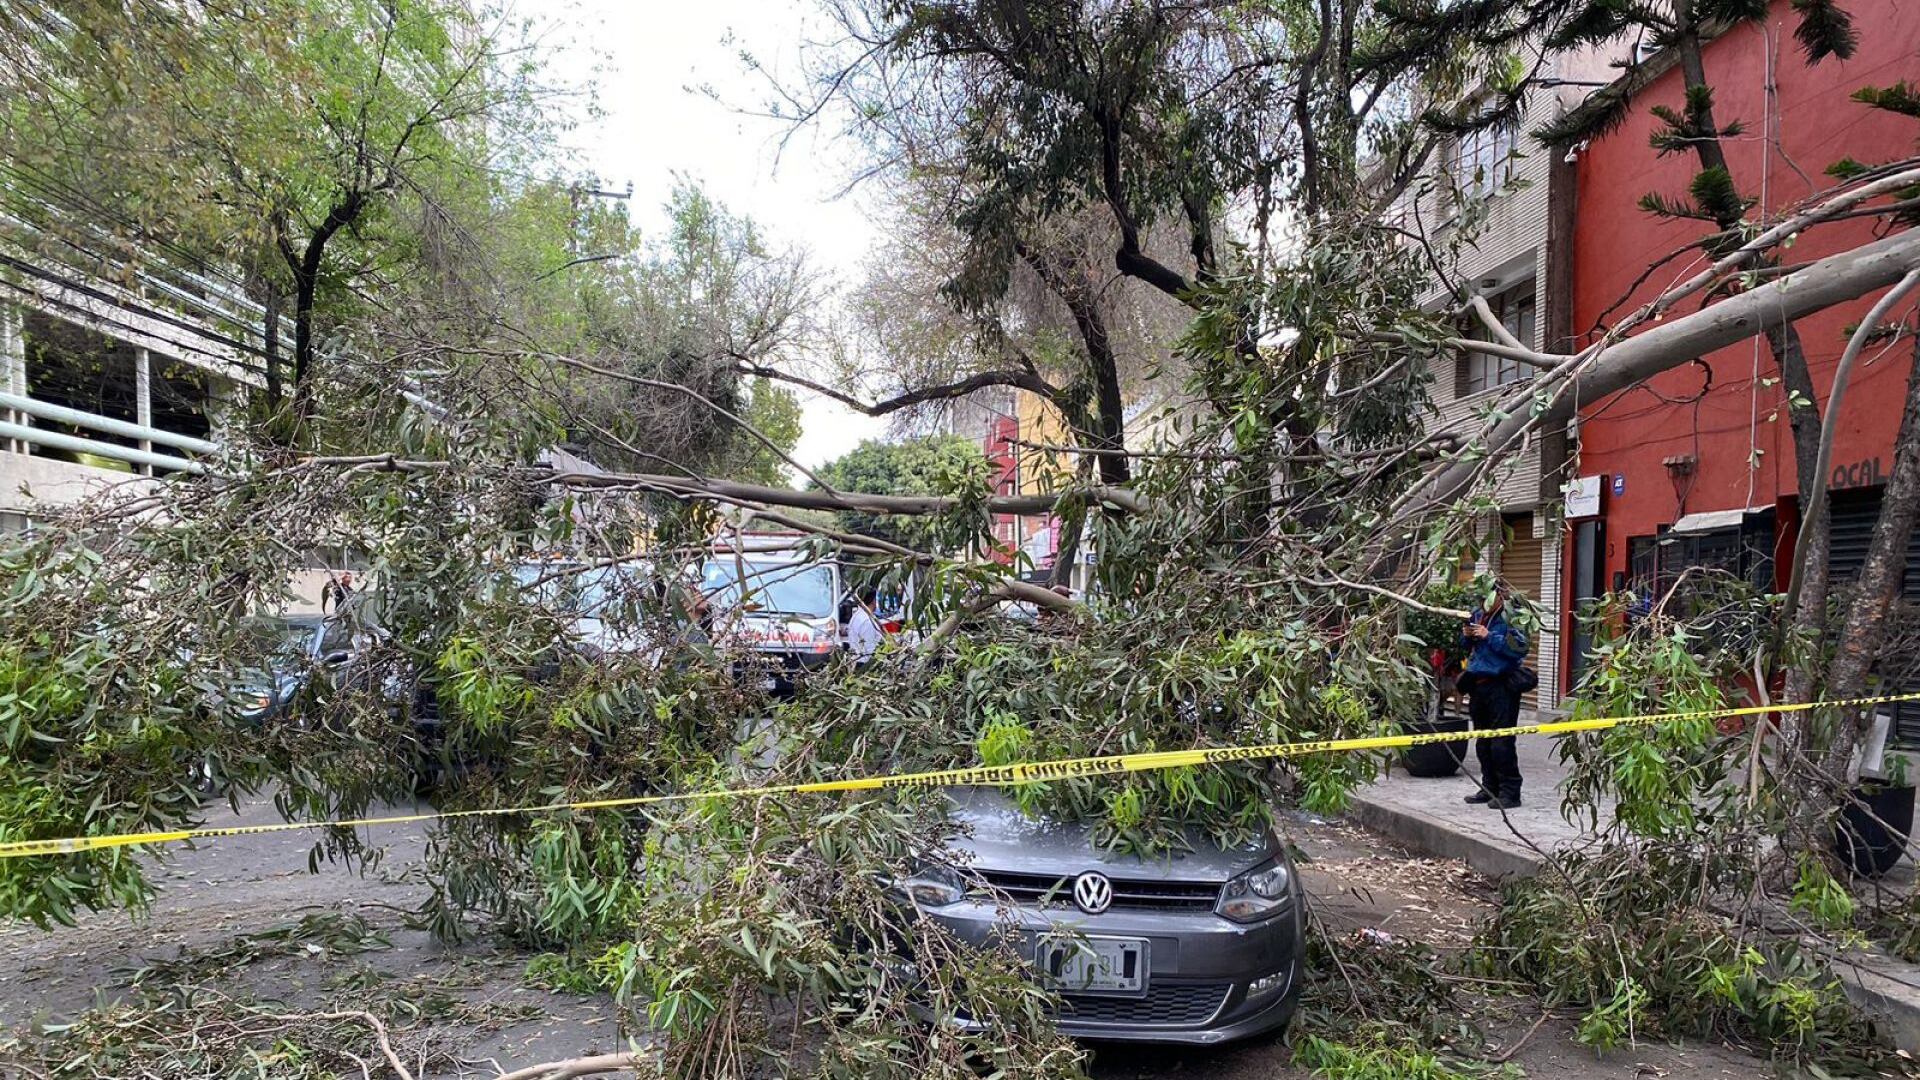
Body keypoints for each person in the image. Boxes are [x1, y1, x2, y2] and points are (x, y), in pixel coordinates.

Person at [1458, 584, 1530, 809]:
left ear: (1500, 595)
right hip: (1478, 685)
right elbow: (1465, 648)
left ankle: (1510, 792)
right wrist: (1467, 636)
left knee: (1502, 742)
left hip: (1502, 687)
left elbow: (1520, 647)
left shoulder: (1512, 617)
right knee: (1483, 740)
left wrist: (1490, 636)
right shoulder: (1477, 615)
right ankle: (1489, 787)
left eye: (1487, 596)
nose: (1483, 602)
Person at [844, 584, 884, 664]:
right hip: (865, 665)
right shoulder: (867, 621)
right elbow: (869, 650)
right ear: (873, 601)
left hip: (856, 661)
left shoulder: (856, 617)